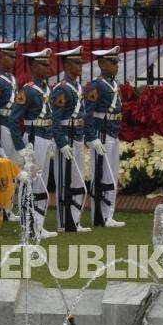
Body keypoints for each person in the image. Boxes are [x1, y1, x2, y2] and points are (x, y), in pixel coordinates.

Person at [8, 49, 57, 239]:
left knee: (41, 182)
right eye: (44, 64)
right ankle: (27, 225)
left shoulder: (46, 89)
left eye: (48, 63)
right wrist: (20, 148)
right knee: (29, 182)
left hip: (45, 137)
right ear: (34, 66)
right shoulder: (27, 90)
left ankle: (38, 223)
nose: (48, 68)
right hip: (34, 139)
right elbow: (14, 120)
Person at [84, 46, 126, 229]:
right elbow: (87, 114)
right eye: (112, 62)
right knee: (101, 175)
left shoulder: (114, 84)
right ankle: (99, 215)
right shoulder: (96, 85)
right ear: (101, 64)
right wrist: (92, 137)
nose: (116, 66)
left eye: (117, 62)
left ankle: (109, 213)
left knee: (112, 175)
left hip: (113, 132)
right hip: (102, 133)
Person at [51, 46, 90, 233]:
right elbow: (55, 119)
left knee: (77, 179)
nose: (81, 66)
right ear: (67, 65)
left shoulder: (78, 87)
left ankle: (74, 219)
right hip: (66, 136)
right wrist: (61, 142)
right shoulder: (61, 89)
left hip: (78, 135)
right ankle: (63, 221)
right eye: (77, 63)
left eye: (81, 62)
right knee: (64, 181)